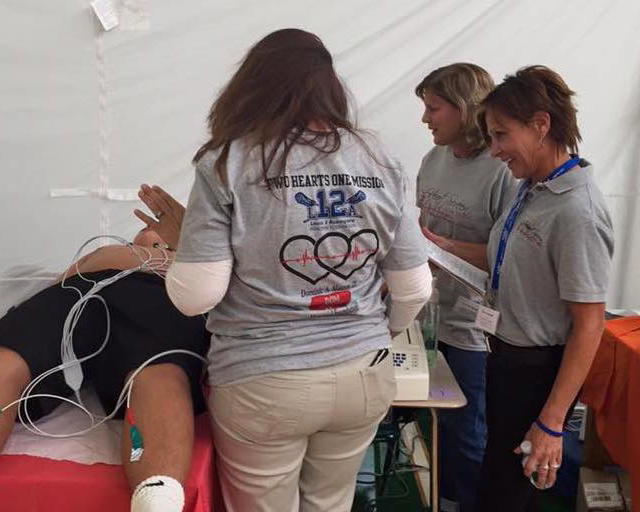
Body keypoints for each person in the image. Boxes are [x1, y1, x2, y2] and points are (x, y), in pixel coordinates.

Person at [164, 28, 433, 512]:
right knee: (331, 504)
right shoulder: (376, 157)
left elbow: (195, 295)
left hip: (263, 378)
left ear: (251, 86)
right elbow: (414, 287)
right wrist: (374, 330)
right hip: (363, 373)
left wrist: (179, 242)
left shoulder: (228, 159)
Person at [425, 65, 614, 511]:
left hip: (538, 368)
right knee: (497, 477)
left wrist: (550, 423)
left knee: (512, 489)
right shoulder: (533, 188)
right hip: (505, 356)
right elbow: (504, 257)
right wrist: (439, 246)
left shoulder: (577, 212)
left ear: (541, 125)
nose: (494, 151)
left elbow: (590, 324)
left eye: (501, 135)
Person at [0, 205, 208, 512]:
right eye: (145, 236)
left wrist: (189, 255)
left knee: (158, 369)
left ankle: (157, 501)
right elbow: (55, 285)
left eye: (163, 242)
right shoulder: (106, 253)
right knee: (11, 355)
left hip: (160, 296)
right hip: (77, 295)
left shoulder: (196, 268)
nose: (152, 237)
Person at [414, 63, 517, 512]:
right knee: (434, 422)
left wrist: (441, 246)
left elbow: (512, 256)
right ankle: (443, 499)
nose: (425, 118)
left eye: (433, 108)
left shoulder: (502, 171)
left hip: (475, 328)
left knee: (467, 430)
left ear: (465, 109)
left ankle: (465, 502)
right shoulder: (432, 159)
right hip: (428, 317)